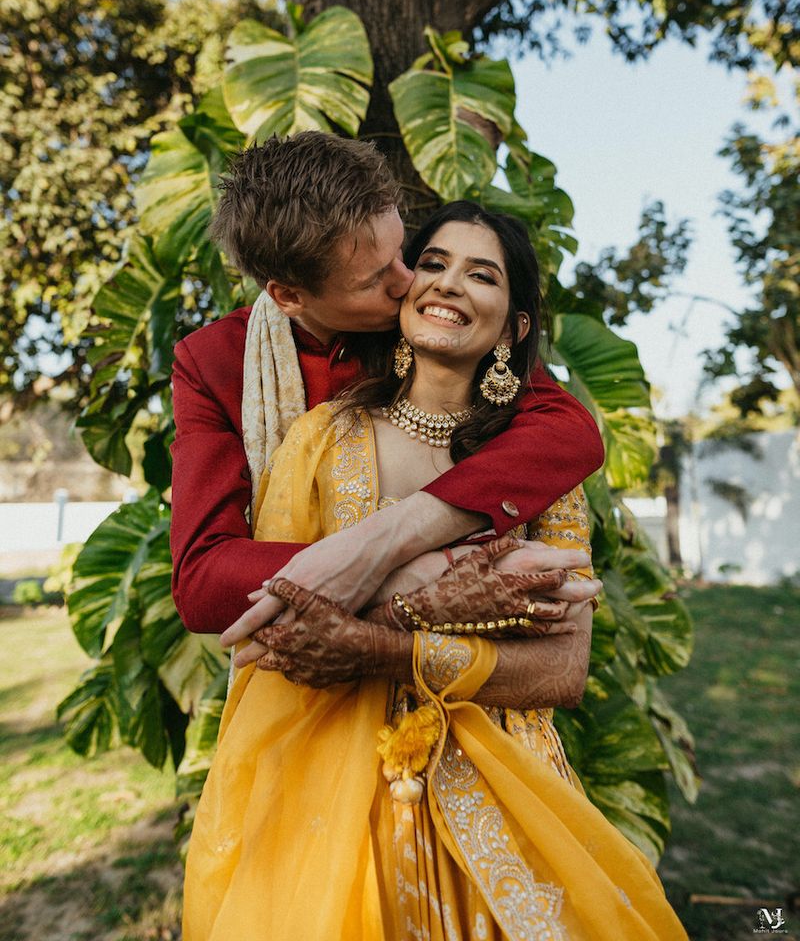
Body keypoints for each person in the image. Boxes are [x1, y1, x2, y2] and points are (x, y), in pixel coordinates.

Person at [183, 203, 688, 941]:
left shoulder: (539, 456)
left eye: (481, 275)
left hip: (508, 782)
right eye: (432, 264)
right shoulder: (321, 438)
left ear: (515, 328)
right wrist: (428, 592)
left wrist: (388, 645)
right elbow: (275, 628)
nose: (444, 284)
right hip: (331, 793)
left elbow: (562, 671)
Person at [170, 131, 606, 636]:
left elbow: (567, 433)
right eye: (374, 279)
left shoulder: (433, 330)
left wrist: (384, 540)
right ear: (288, 296)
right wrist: (414, 575)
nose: (408, 282)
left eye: (404, 252)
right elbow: (203, 581)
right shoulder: (216, 363)